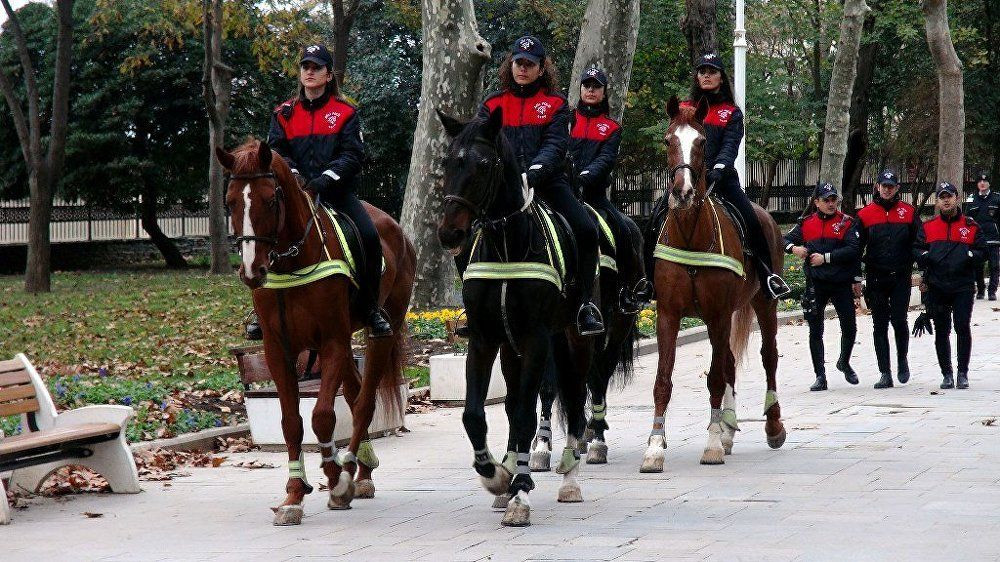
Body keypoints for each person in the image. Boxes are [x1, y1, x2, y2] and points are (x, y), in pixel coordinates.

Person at [477, 36, 604, 335]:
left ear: (541, 69)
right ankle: (475, 308)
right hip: (504, 189)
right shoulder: (492, 102)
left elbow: (556, 146)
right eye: (518, 63)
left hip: (548, 183)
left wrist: (533, 172)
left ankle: (585, 303)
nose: (523, 69)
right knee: (466, 230)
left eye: (529, 64)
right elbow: (482, 141)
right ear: (511, 65)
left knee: (586, 230)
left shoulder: (556, 104)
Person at [266, 43, 391, 337]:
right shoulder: (283, 113)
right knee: (264, 234)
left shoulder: (345, 112)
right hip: (294, 195)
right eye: (305, 67)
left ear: (328, 75)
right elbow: (276, 151)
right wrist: (295, 175)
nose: (309, 72)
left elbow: (352, 155)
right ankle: (261, 310)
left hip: (336, 194)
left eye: (316, 68)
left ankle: (370, 309)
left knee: (370, 237)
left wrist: (324, 179)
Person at [682, 53, 790, 299]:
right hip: (689, 180)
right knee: (658, 215)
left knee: (753, 220)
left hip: (722, 180)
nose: (706, 75)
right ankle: (647, 281)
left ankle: (768, 276)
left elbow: (731, 145)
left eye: (712, 71)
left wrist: (719, 167)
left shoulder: (731, 112)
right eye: (702, 71)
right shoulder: (685, 109)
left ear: (721, 77)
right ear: (697, 77)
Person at [569, 66, 648, 313]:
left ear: (604, 93)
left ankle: (627, 290)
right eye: (587, 85)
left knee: (625, 232)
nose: (591, 90)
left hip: (594, 197)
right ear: (581, 89)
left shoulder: (612, 128)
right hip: (565, 192)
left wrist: (585, 176)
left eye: (596, 87)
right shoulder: (565, 121)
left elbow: (605, 160)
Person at [784, 183, 861, 391]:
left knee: (850, 326)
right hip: (816, 284)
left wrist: (826, 259)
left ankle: (844, 362)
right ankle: (820, 375)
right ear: (816, 202)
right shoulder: (806, 223)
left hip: (840, 282)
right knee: (816, 330)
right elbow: (783, 239)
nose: (830, 204)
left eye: (833, 199)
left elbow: (854, 251)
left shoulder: (846, 223)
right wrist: (794, 249)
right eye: (825, 200)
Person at [914, 182, 986, 389]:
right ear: (937, 201)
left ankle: (963, 372)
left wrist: (968, 255)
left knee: (962, 326)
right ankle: (947, 373)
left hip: (962, 285)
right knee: (941, 330)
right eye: (942, 196)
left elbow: (982, 252)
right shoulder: (928, 227)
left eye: (950, 196)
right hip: (937, 285)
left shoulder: (971, 226)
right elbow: (917, 249)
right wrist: (928, 257)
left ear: (957, 198)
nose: (946, 200)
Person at [855, 170, 920, 389]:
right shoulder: (865, 214)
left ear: (897, 188)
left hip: (901, 276)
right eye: (884, 185)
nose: (887, 189)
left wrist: (924, 272)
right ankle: (885, 372)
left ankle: (902, 360)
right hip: (876, 277)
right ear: (877, 186)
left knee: (899, 320)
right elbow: (856, 248)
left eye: (891, 186)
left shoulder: (909, 213)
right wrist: (856, 277)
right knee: (879, 324)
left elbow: (918, 244)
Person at [964, 172, 1000, 300]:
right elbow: (967, 219)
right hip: (977, 240)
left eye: (985, 181)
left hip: (993, 239)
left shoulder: (997, 198)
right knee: (977, 266)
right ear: (977, 184)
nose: (982, 183)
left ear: (989, 183)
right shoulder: (972, 199)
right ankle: (980, 290)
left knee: (994, 266)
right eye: (980, 181)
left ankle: (992, 291)